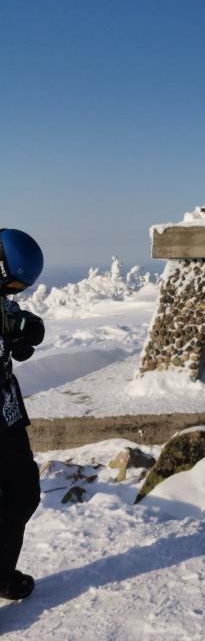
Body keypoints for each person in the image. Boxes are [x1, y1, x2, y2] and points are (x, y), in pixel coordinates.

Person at [0, 228, 45, 602]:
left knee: (23, 493)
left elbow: (15, 320)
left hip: (6, 413)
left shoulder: (1, 297)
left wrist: (25, 330)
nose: (13, 293)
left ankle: (1, 574)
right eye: (12, 284)